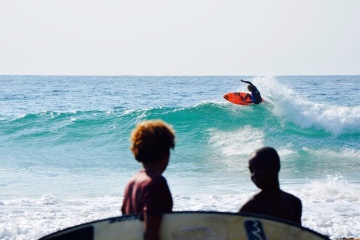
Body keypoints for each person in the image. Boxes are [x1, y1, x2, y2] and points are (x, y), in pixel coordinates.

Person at [121, 119, 175, 240]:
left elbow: (125, 227)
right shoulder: (156, 183)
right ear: (166, 152)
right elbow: (150, 234)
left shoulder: (131, 183)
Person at [239, 147, 302, 225]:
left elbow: (298, 234)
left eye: (260, 168)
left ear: (276, 167)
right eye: (251, 170)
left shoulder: (294, 203)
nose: (254, 174)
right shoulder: (250, 207)